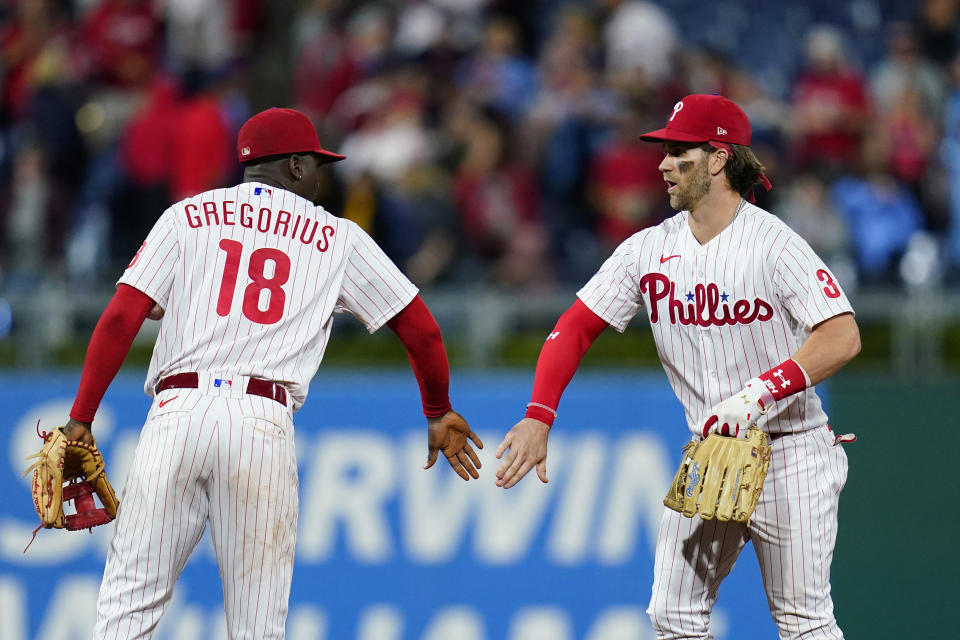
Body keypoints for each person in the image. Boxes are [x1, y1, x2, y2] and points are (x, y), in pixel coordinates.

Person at [58, 107, 483, 639]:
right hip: (260, 423)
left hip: (176, 415)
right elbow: (423, 331)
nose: (323, 176)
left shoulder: (186, 215)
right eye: (317, 163)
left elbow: (121, 315)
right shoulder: (337, 238)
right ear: (297, 167)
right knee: (258, 626)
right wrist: (437, 409)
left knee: (125, 610)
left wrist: (81, 418)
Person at [494, 94, 860, 639]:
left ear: (717, 158)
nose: (662, 165)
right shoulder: (647, 249)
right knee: (673, 616)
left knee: (804, 622)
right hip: (712, 454)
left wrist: (757, 394)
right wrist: (539, 413)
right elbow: (573, 327)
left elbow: (842, 334)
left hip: (792, 452)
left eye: (677, 152)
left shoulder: (774, 244)